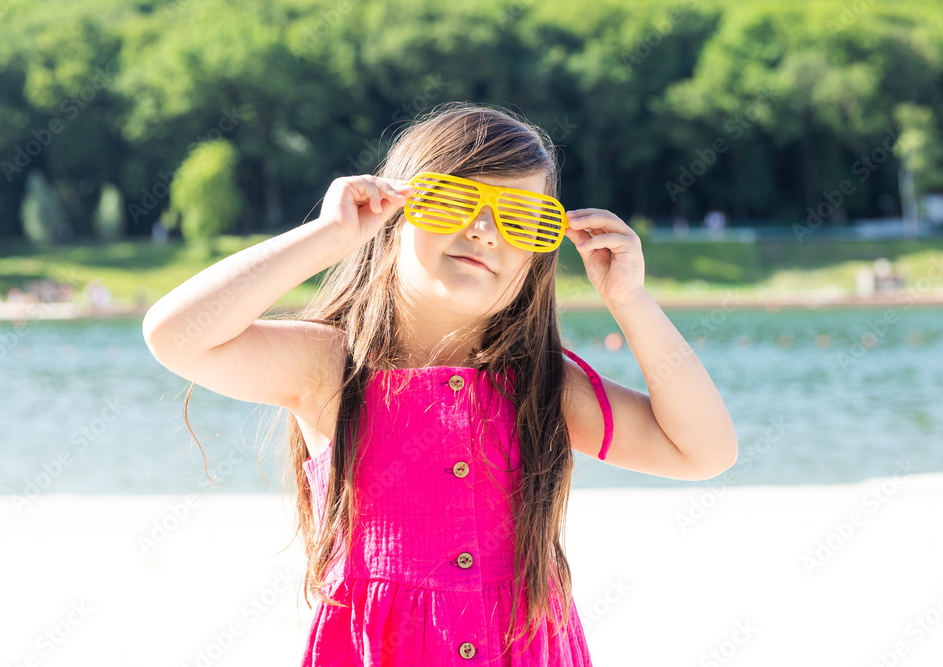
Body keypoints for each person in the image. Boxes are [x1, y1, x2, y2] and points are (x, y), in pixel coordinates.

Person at [142, 102, 737, 665]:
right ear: (390, 211)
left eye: (522, 220)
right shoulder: (331, 368)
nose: (484, 230)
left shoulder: (541, 385)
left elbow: (703, 451)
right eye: (453, 200)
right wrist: (329, 237)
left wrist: (630, 300)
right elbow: (177, 336)